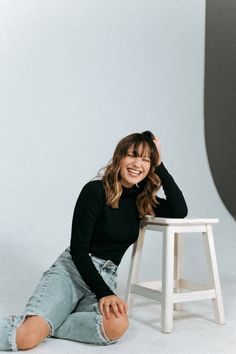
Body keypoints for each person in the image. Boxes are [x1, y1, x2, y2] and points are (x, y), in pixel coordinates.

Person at [0, 131, 188, 351]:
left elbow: (179, 210)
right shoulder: (95, 190)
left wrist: (161, 165)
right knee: (26, 339)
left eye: (146, 159)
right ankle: (37, 326)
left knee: (116, 325)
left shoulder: (142, 200)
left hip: (106, 276)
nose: (138, 164)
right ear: (119, 158)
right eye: (132, 155)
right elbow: (78, 249)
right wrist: (105, 293)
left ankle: (51, 321)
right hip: (73, 271)